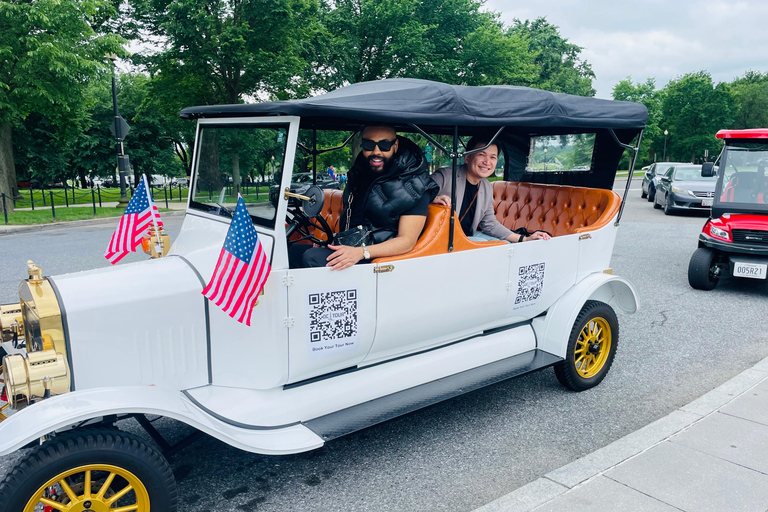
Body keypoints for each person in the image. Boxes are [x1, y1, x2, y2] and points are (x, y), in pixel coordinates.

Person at [291, 126, 437, 270]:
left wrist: (361, 253)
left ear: (395, 146)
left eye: (384, 145)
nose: (376, 152)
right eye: (369, 145)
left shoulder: (416, 185)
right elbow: (354, 220)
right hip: (353, 244)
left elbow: (407, 241)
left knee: (311, 258)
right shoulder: (361, 173)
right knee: (290, 252)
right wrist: (333, 241)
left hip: (377, 257)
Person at [431, 136, 551, 243]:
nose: (487, 162)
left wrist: (524, 239)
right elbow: (416, 195)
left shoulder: (486, 187)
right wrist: (433, 198)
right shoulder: (445, 176)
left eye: (492, 157)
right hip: (441, 238)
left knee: (504, 245)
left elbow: (490, 224)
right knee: (488, 246)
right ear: (467, 158)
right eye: (481, 155)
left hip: (468, 237)